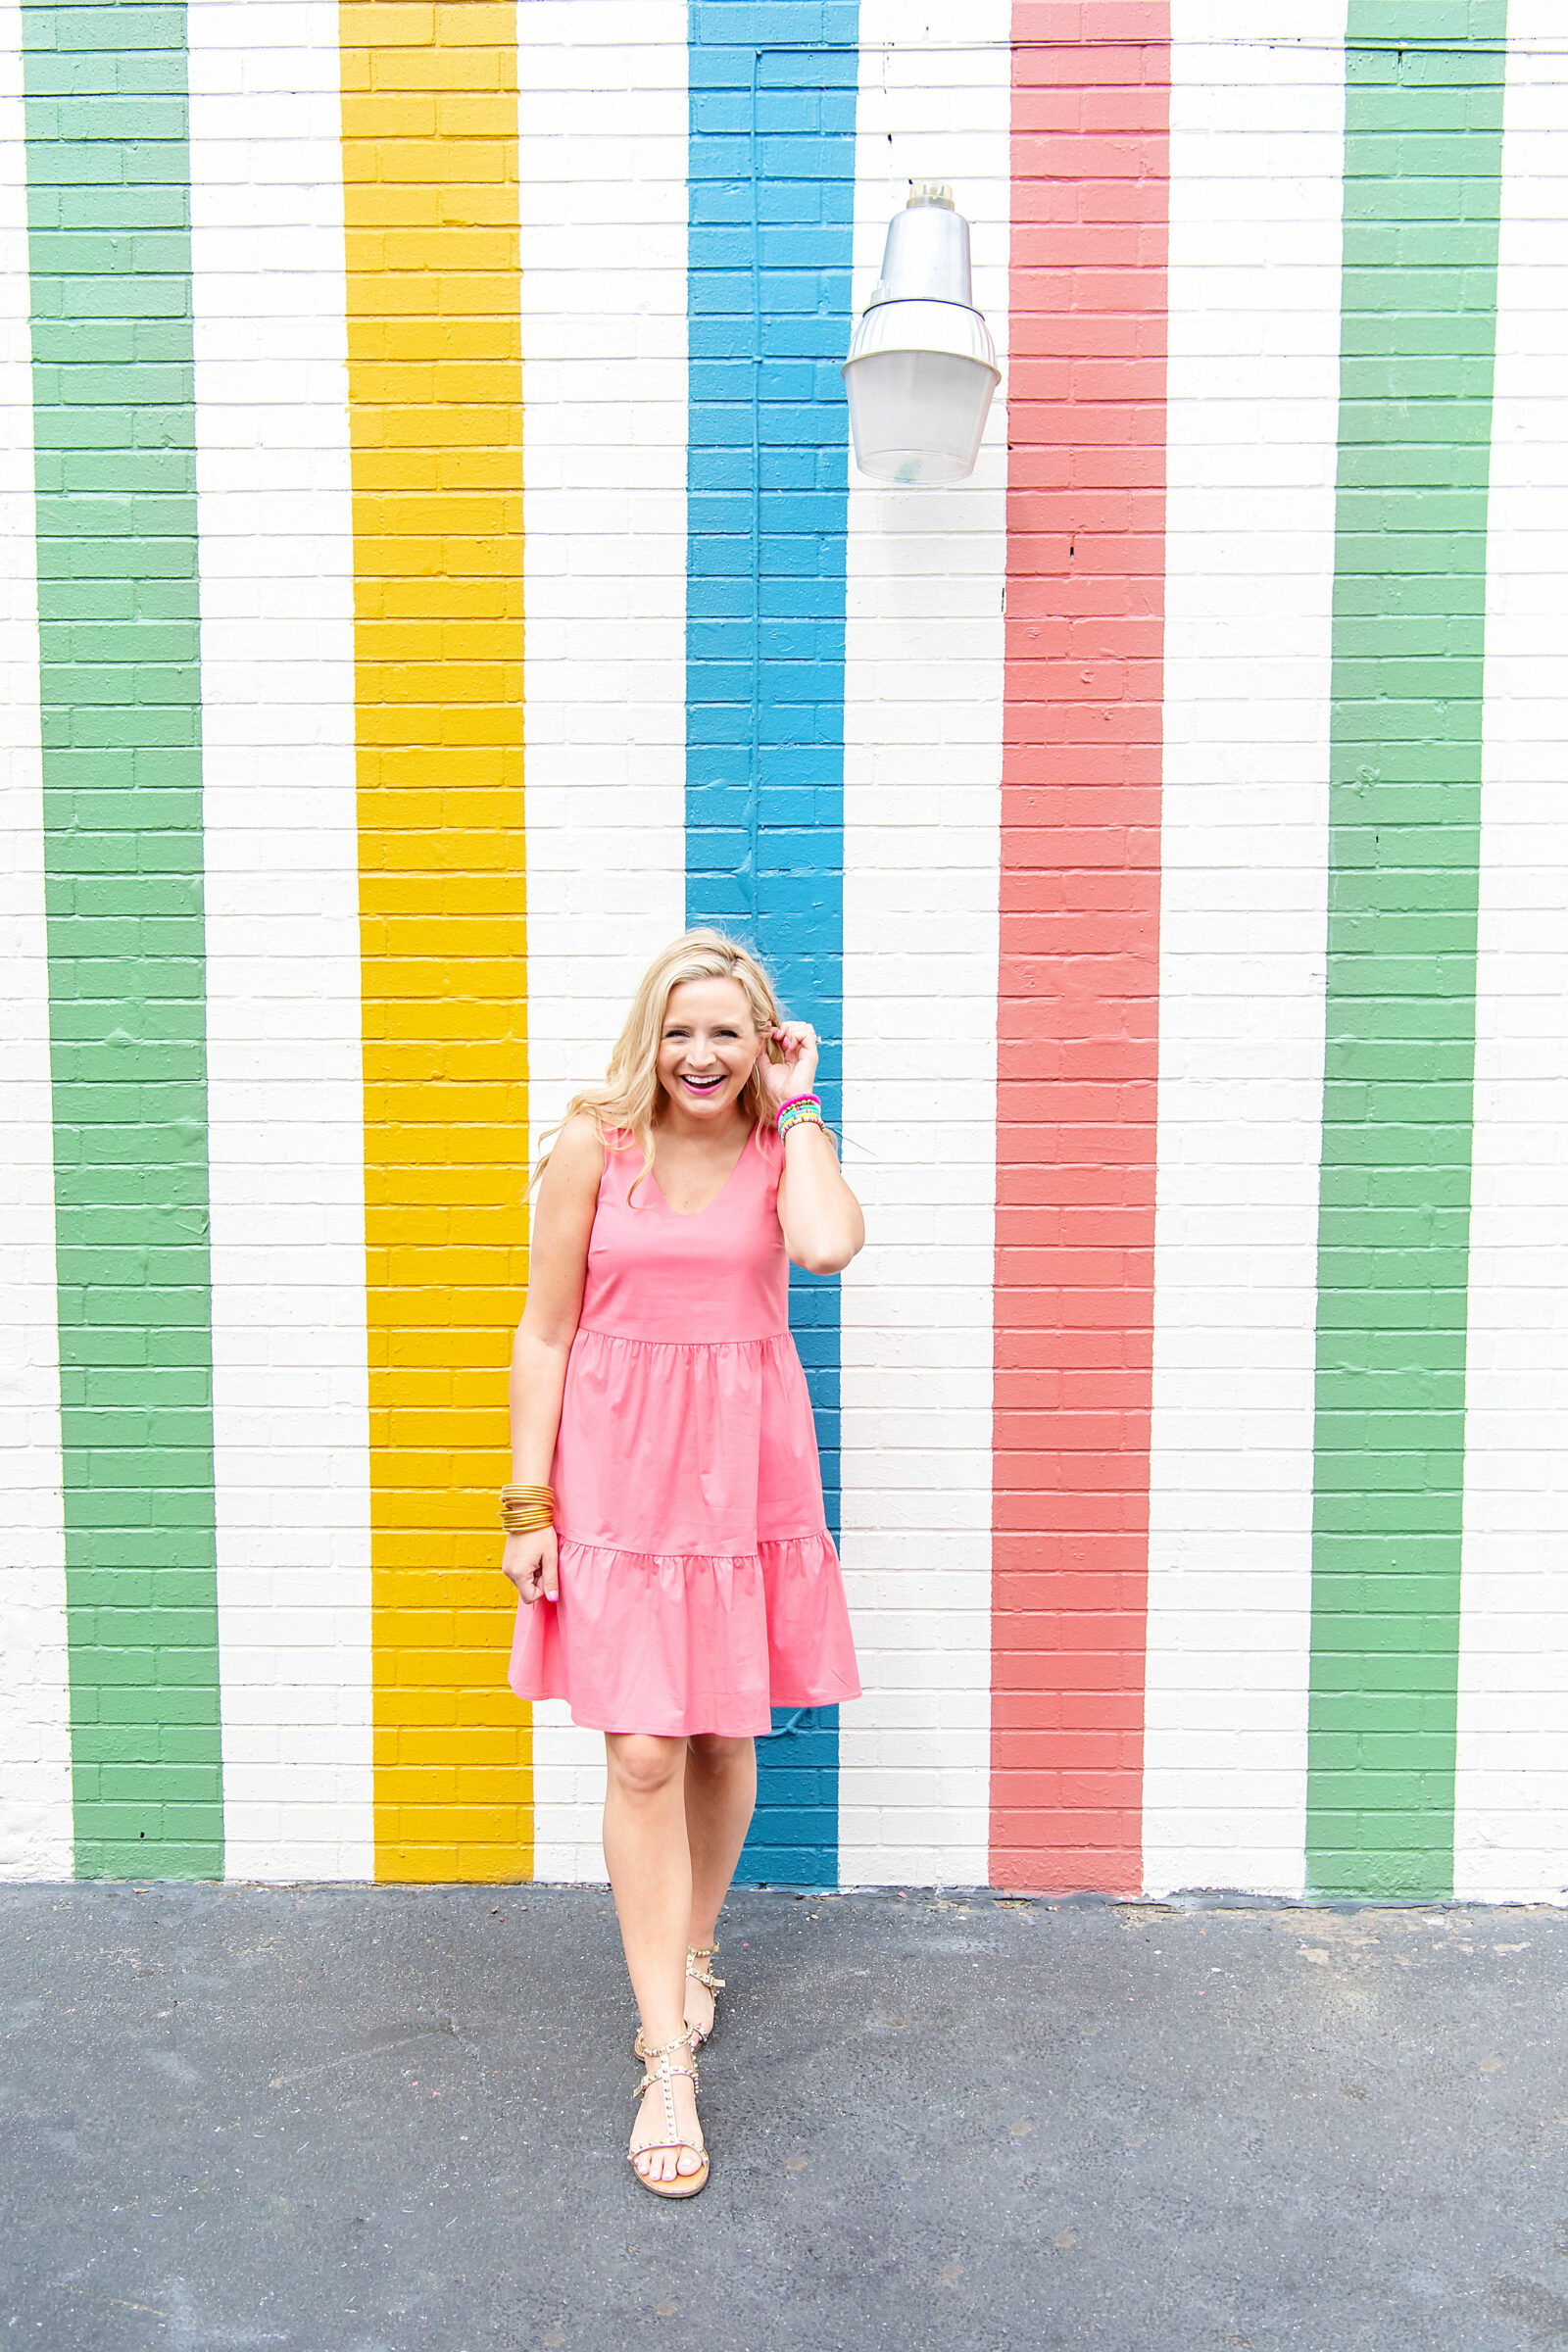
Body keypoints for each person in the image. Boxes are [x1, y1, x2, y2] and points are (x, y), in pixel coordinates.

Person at [502, 930, 864, 2199]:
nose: (698, 1055)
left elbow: (826, 1245)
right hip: (616, 1479)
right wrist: (527, 1503)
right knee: (643, 1748)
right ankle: (666, 2055)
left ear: (760, 1040)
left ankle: (694, 1945)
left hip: (742, 1474)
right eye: (679, 1030)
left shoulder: (781, 1151)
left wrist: (806, 1096)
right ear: (647, 1037)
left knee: (722, 1740)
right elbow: (545, 1333)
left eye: (726, 1031)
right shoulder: (593, 1150)